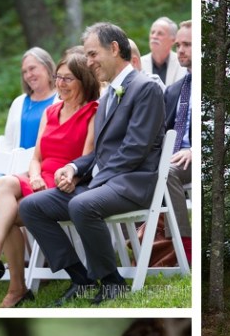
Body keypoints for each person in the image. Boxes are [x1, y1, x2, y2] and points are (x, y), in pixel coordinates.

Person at [18, 22, 165, 306]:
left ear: (114, 48)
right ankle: (80, 278)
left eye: (93, 54)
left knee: (81, 204)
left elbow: (135, 149)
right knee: (30, 206)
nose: (88, 62)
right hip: (103, 184)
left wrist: (94, 180)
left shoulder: (145, 88)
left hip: (133, 183)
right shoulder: (108, 94)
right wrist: (74, 168)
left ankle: (112, 282)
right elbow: (100, 152)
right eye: (87, 55)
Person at [0, 52, 99, 307]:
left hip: (66, 182)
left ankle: (16, 287)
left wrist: (71, 177)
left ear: (84, 80)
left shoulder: (92, 112)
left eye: (68, 79)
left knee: (6, 215)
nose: (61, 84)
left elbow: (87, 159)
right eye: (58, 77)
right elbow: (36, 157)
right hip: (40, 177)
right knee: (4, 185)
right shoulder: (50, 112)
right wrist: (34, 176)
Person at [0, 48, 58, 207]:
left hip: (42, 169)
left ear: (47, 67)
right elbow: (8, 143)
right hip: (14, 168)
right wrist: (6, 169)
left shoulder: (60, 100)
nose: (28, 75)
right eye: (24, 71)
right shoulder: (19, 102)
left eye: (32, 68)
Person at [160, 21, 193, 264]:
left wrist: (194, 150)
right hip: (171, 155)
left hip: (194, 158)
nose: (180, 50)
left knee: (167, 172)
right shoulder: (174, 90)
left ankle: (185, 248)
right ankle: (142, 244)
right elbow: (161, 130)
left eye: (187, 45)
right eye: (178, 45)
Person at [141, 17, 187, 87]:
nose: (154, 36)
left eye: (160, 33)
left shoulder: (183, 64)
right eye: (152, 32)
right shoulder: (139, 63)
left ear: (173, 40)